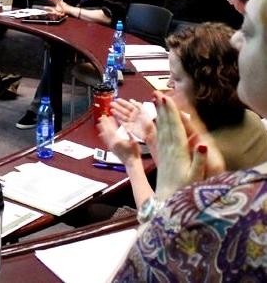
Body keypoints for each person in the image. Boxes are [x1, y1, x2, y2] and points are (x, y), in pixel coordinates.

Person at [112, 0, 267, 281]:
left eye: (249, 32)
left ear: (204, 87)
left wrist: (137, 163)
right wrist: (157, 141)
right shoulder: (245, 118)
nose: (237, 40)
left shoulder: (235, 198)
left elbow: (152, 259)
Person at [98, 22, 267, 211]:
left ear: (204, 86)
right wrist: (151, 136)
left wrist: (132, 163)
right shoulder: (250, 119)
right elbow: (175, 178)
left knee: (93, 210)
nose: (169, 83)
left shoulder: (209, 154)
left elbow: (159, 222)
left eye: (177, 78)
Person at [16, 0, 133, 129]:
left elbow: (107, 17)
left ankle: (43, 112)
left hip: (101, 36)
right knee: (54, 48)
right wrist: (60, 8)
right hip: (73, 28)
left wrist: (71, 10)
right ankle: (48, 114)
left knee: (56, 54)